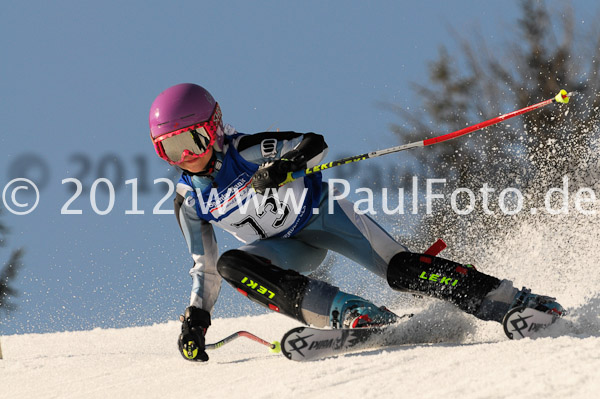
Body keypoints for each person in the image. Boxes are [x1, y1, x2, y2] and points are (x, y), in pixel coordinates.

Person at [148, 83, 564, 362]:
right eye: (171, 149)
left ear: (214, 127)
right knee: (232, 265)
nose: (187, 157)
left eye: (192, 141)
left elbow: (312, 144)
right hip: (286, 249)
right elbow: (203, 266)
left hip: (325, 217)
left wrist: (285, 165)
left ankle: (513, 302)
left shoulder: (248, 149)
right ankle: (351, 314)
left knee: (401, 270)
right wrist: (196, 319)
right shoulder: (188, 199)